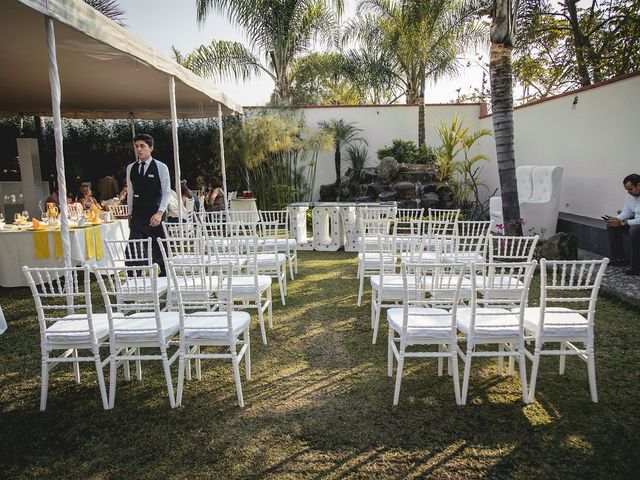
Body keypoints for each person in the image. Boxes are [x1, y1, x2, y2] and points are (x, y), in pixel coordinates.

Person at [126, 134, 170, 275]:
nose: (139, 149)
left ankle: (166, 280)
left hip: (155, 216)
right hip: (138, 216)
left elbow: (166, 193)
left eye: (142, 146)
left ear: (150, 148)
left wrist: (160, 213)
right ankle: (134, 282)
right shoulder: (130, 168)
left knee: (160, 251)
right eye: (136, 146)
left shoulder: (161, 167)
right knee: (133, 252)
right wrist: (129, 214)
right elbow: (131, 193)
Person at [604, 173, 640, 275]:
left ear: (639, 185)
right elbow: (627, 212)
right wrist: (616, 219)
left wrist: (623, 222)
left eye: (631, 189)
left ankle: (636, 267)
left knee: (634, 230)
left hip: (637, 225)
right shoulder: (631, 196)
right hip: (635, 222)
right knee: (612, 226)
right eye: (627, 190)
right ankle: (619, 258)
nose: (629, 192)